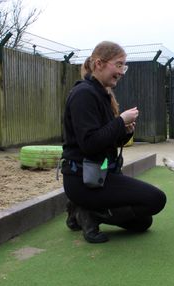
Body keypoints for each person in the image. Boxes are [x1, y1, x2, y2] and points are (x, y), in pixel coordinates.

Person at [61, 41, 166, 243]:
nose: (122, 71)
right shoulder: (84, 94)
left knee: (143, 222)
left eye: (123, 66)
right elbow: (90, 144)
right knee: (156, 199)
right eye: (119, 65)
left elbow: (106, 140)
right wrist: (120, 121)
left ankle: (84, 210)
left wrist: (124, 131)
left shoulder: (101, 94)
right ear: (99, 64)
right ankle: (88, 213)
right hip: (83, 179)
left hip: (102, 173)